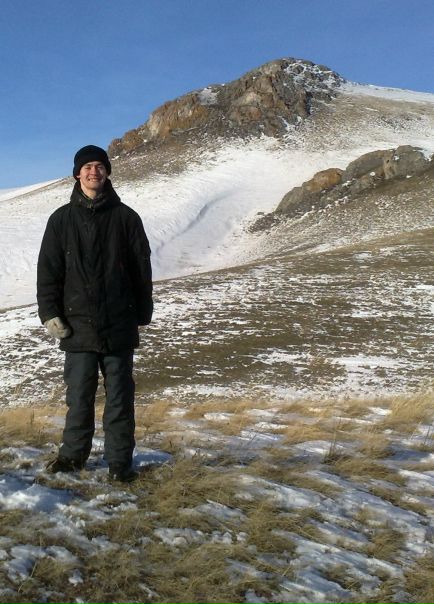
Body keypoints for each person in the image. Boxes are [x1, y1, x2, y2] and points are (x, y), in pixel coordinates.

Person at [37, 145, 153, 482]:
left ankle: (120, 465)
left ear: (107, 172)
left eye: (99, 166)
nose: (93, 172)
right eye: (87, 166)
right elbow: (49, 270)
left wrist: (142, 311)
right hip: (77, 326)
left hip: (119, 324)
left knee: (120, 399)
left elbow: (141, 269)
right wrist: (49, 313)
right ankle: (72, 458)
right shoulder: (61, 220)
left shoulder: (127, 218)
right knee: (79, 397)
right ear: (77, 174)